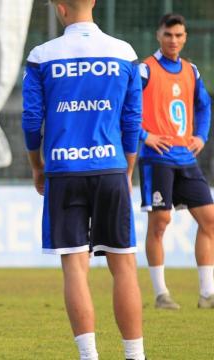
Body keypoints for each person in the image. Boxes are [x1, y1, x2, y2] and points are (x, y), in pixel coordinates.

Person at [22, 1, 146, 359]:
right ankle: (135, 355)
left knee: (75, 268)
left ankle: (89, 356)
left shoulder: (43, 55)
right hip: (111, 167)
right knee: (123, 266)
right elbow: (132, 119)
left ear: (59, 8)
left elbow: (32, 119)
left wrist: (36, 164)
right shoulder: (124, 53)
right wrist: (128, 168)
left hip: (63, 170)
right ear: (92, 2)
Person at [138, 14, 214, 310]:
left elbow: (204, 105)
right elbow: (125, 108)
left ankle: (207, 294)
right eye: (169, 34)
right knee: (160, 222)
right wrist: (146, 136)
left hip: (185, 157)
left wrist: (201, 136)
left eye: (179, 35)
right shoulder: (144, 70)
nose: (174, 40)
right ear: (159, 35)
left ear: (185, 38)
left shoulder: (191, 71)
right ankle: (161, 295)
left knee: (209, 221)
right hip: (157, 159)